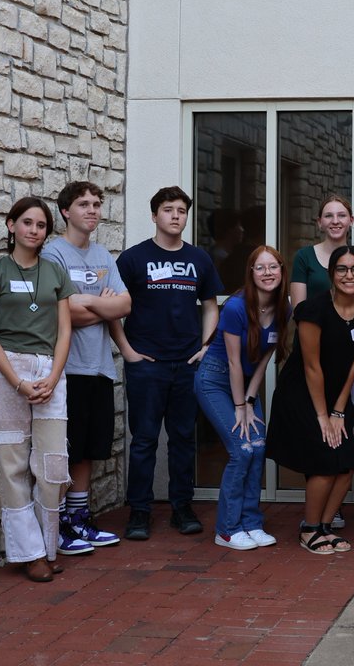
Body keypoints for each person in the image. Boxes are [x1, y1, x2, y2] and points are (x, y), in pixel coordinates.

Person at [111, 187, 224, 541]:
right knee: (144, 440)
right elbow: (113, 308)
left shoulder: (199, 259)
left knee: (183, 439)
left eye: (181, 210)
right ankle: (139, 512)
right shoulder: (132, 259)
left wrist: (206, 346)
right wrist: (127, 351)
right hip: (147, 363)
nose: (175, 216)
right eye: (168, 210)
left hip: (187, 363)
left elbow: (210, 305)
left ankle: (181, 507)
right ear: (155, 215)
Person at [0, 197, 75, 582]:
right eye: (28, 223)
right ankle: (30, 553)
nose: (35, 230)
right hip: (8, 373)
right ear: (11, 225)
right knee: (13, 465)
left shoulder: (54, 273)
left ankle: (47, 545)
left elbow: (65, 330)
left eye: (42, 225)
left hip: (50, 370)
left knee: (53, 466)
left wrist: (53, 376)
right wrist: (17, 381)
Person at [268, 246, 354, 554]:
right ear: (331, 274)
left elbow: (353, 365)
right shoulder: (313, 309)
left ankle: (325, 526)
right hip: (301, 393)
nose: (350, 275)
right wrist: (323, 416)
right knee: (324, 460)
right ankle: (309, 528)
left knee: (345, 463)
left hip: (336, 397)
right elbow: (311, 366)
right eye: (342, 269)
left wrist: (339, 410)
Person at [42, 182, 131, 555]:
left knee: (89, 451)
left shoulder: (103, 255)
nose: (92, 210)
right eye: (83, 204)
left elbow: (125, 305)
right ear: (66, 211)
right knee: (67, 450)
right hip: (67, 369)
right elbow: (60, 311)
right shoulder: (53, 254)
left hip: (99, 368)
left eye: (97, 204)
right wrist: (100, 303)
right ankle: (59, 523)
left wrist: (86, 302)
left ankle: (80, 519)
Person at [194, 246, 291, 550]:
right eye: (260, 268)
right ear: (251, 273)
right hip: (215, 379)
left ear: (281, 270)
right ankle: (227, 529)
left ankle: (251, 523)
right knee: (242, 449)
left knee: (259, 446)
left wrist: (250, 402)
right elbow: (234, 362)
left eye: (273, 267)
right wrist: (239, 407)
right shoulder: (236, 307)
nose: (267, 273)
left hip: (246, 384)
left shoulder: (283, 307)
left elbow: (264, 360)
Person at [289, 195, 354, 306]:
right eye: (328, 216)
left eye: (341, 215)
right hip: (312, 323)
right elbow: (298, 310)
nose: (335, 221)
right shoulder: (304, 257)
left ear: (351, 221)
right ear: (320, 222)